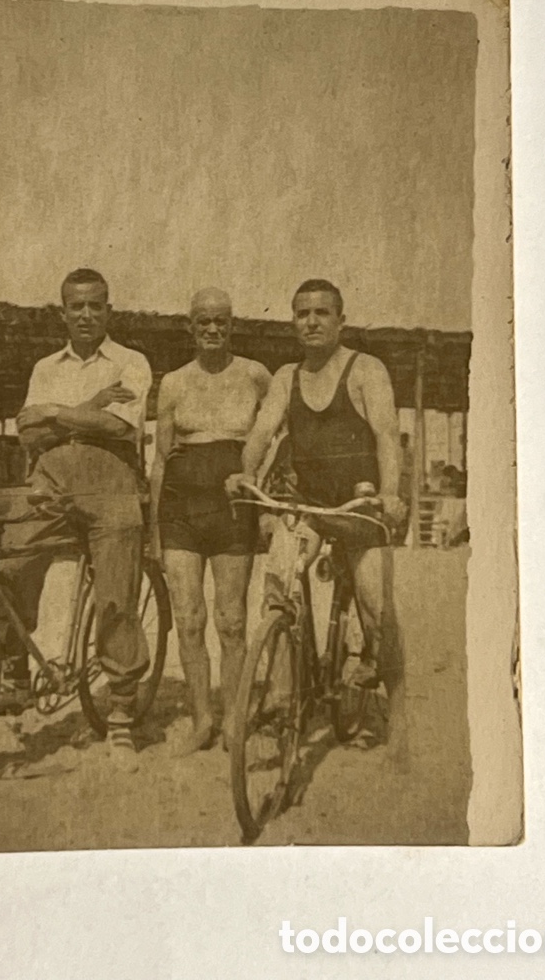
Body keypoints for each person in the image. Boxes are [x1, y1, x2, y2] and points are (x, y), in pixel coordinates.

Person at [0, 268, 152, 768]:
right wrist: (85, 408)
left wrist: (54, 414)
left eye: (96, 305)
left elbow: (118, 426)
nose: (86, 314)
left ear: (109, 310)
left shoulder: (132, 362)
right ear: (62, 312)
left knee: (115, 595)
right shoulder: (45, 366)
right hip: (51, 478)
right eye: (76, 307)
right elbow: (26, 433)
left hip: (110, 482)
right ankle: (16, 674)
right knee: (10, 564)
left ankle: (122, 714)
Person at [227, 279, 405, 690]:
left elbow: (386, 436)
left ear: (341, 321)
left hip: (358, 507)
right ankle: (284, 690)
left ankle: (373, 662)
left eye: (321, 312)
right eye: (302, 313)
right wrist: (247, 473)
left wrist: (391, 493)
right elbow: (260, 433)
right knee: (278, 586)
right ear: (293, 322)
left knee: (375, 604)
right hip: (307, 506)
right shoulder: (286, 377)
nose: (311, 321)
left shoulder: (366, 370)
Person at [151, 288, 271, 753]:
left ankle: (235, 718)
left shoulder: (254, 375)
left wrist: (257, 481)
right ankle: (202, 718)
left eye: (221, 321)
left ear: (232, 325)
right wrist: (155, 530)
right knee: (188, 618)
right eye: (204, 322)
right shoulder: (175, 382)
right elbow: (161, 459)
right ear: (191, 327)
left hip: (232, 508)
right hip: (180, 509)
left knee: (232, 620)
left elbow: (276, 433)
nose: (213, 330)